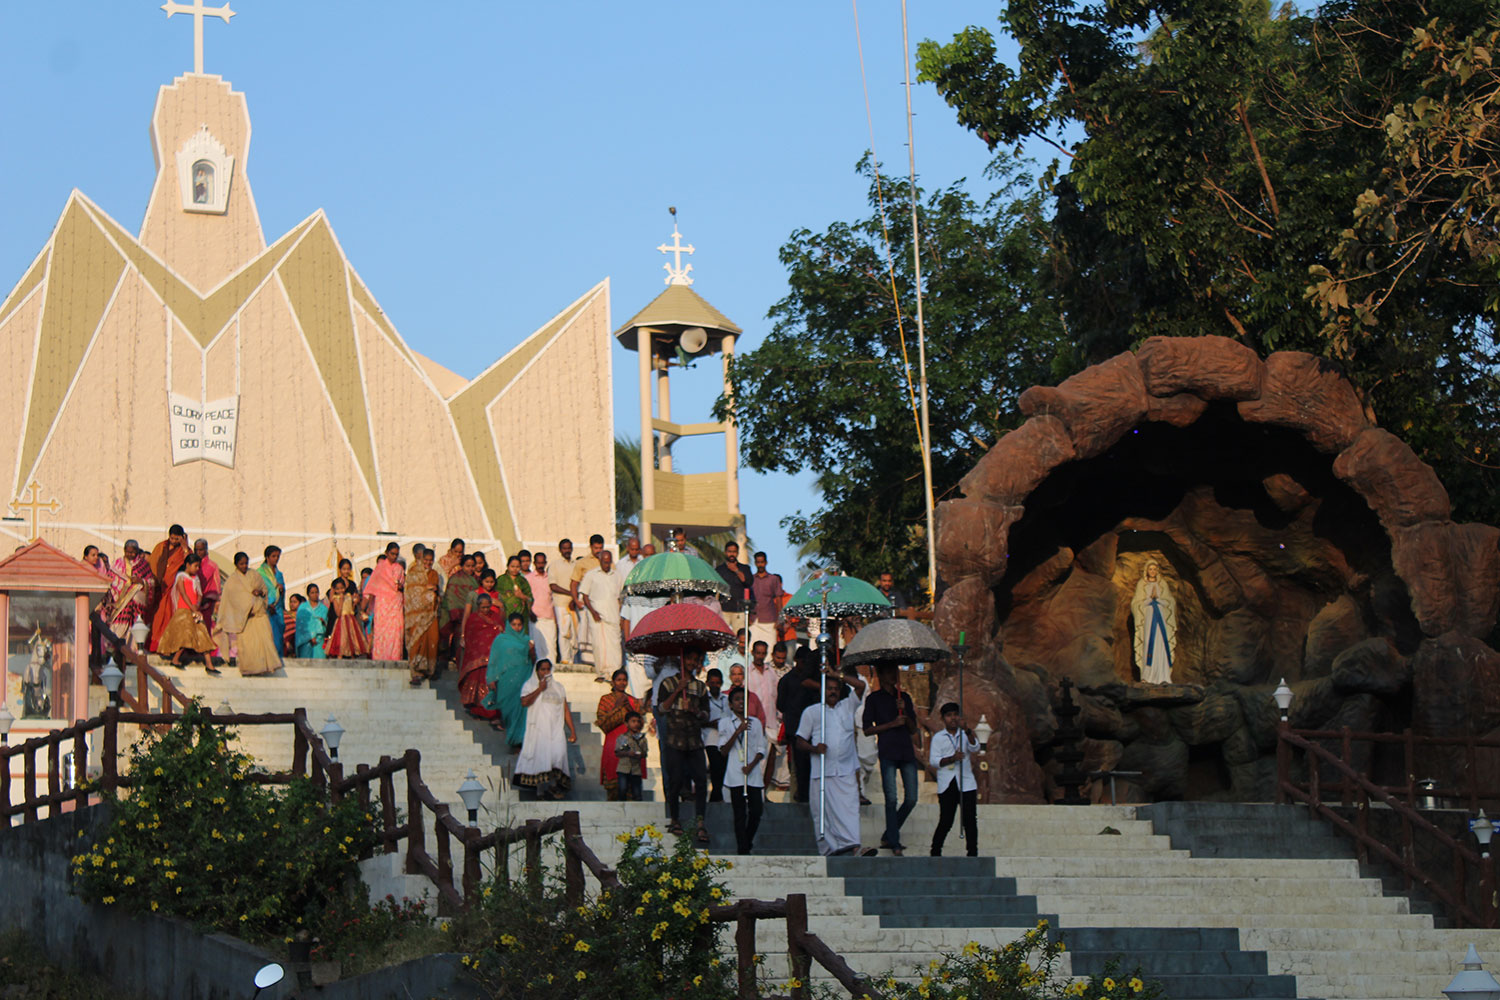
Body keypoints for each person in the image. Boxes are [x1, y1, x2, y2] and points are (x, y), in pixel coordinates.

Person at [796, 667, 873, 857]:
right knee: (822, 814)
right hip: (822, 770)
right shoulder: (812, 712)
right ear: (822, 690)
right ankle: (830, 850)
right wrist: (815, 749)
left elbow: (861, 686)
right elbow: (799, 741)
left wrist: (835, 674)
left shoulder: (848, 706)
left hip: (846, 771)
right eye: (829, 688)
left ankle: (854, 846)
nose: (832, 691)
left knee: (850, 809)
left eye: (835, 689)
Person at [863, 663, 920, 855]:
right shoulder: (873, 699)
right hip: (888, 750)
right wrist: (891, 724)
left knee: (911, 798)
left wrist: (905, 715)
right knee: (891, 798)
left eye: (895, 672)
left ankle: (889, 834)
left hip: (906, 751)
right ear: (881, 674)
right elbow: (867, 729)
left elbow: (913, 728)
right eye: (889, 671)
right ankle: (894, 843)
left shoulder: (904, 697)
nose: (893, 675)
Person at [656, 647, 710, 843]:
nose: (692, 663)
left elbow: (706, 715)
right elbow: (661, 708)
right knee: (675, 781)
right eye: (689, 659)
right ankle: (675, 819)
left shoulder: (701, 687)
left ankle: (701, 822)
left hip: (694, 741)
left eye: (696, 660)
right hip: (674, 740)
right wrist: (678, 691)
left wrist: (695, 710)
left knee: (701, 782)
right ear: (682, 660)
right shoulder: (668, 683)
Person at [514, 659, 577, 799]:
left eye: (548, 669)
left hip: (556, 729)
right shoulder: (529, 685)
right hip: (539, 729)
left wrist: (572, 730)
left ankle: (553, 786)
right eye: (542, 669)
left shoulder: (559, 687)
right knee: (541, 758)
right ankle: (540, 791)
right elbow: (524, 702)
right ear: (537, 671)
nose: (545, 672)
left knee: (558, 756)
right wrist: (539, 689)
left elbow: (565, 709)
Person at [216, 551, 282, 676]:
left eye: (246, 563)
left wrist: (260, 593)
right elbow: (232, 602)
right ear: (236, 564)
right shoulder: (232, 581)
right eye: (241, 564)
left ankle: (265, 668)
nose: (244, 566)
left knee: (265, 642)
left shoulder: (255, 575)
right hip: (244, 620)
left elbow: (264, 591)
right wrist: (247, 606)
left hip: (259, 615)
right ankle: (250, 670)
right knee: (248, 647)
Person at [719, 686, 767, 854]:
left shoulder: (756, 723)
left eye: (743, 700)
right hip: (735, 774)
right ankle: (743, 848)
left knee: (756, 811)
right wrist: (738, 731)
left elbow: (761, 749)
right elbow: (723, 750)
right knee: (739, 813)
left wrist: (752, 765)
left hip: (752, 773)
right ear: (731, 704)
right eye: (737, 700)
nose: (741, 703)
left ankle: (747, 840)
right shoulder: (725, 723)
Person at [930, 702, 980, 857]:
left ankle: (972, 851)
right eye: (949, 715)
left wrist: (967, 730)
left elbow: (975, 747)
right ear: (943, 718)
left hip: (966, 782)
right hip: (947, 783)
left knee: (970, 819)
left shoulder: (965, 734)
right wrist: (952, 758)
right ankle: (935, 850)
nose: (953, 718)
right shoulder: (938, 737)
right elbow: (934, 761)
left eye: (955, 714)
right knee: (946, 820)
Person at [158, 552, 219, 672]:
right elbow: (183, 593)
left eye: (198, 567)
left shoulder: (196, 579)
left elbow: (199, 593)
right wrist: (192, 607)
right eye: (195, 566)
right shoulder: (181, 576)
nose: (197, 569)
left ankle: (209, 664)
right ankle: (175, 658)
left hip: (195, 610)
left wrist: (197, 605)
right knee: (185, 636)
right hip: (184, 610)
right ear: (188, 565)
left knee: (203, 635)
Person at [778, 647, 823, 802]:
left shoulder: (815, 680)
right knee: (799, 768)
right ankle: (801, 796)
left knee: (812, 766)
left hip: (813, 730)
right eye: (804, 662)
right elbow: (781, 705)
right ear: (797, 660)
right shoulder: (787, 680)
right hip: (796, 730)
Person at [485, 612, 534, 747]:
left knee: (521, 711)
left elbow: (533, 661)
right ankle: (512, 738)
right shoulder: (501, 640)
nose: (517, 628)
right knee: (508, 711)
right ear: (508, 625)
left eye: (519, 625)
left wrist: (531, 650)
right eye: (514, 625)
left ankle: (518, 741)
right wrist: (491, 678)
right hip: (505, 681)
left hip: (523, 680)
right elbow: (494, 660)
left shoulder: (526, 640)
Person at [595, 669, 642, 800]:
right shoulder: (605, 700)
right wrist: (617, 707)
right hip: (613, 744)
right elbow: (602, 723)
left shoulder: (633, 701)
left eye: (624, 680)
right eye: (619, 680)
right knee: (614, 786)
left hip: (631, 744)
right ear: (613, 682)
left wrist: (630, 709)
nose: (622, 683)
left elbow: (640, 724)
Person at [579, 549, 624, 682]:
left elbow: (620, 597)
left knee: (615, 646)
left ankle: (615, 673)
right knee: (599, 646)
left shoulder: (617, 575)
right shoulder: (591, 575)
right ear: (600, 561)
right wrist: (593, 612)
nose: (606, 565)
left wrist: (621, 616)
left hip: (613, 617)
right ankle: (603, 673)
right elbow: (585, 595)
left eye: (608, 562)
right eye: (604, 562)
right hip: (597, 617)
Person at [458, 592, 504, 719]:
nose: (486, 610)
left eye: (488, 607)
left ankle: (491, 713)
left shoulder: (496, 617)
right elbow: (471, 637)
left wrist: (498, 629)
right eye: (483, 607)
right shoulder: (473, 619)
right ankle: (476, 710)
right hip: (477, 658)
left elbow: (502, 632)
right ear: (478, 606)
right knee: (477, 683)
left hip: (493, 659)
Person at [1132, 560, 1176, 684]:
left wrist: (1159, 599)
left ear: (1157, 571)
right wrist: (1148, 599)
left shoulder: (1163, 584)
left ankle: (1163, 676)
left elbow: (1171, 602)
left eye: (1154, 569)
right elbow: (1135, 603)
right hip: (1148, 617)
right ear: (1147, 570)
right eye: (1150, 569)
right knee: (1148, 642)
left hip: (1161, 617)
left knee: (1161, 642)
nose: (1152, 571)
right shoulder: (1142, 584)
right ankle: (1147, 676)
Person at [146, 524, 189, 651]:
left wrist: (185, 547)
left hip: (173, 591)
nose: (174, 541)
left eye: (177, 539)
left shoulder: (184, 551)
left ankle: (167, 646)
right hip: (159, 589)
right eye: (172, 538)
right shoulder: (161, 547)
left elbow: (188, 566)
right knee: (157, 619)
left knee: (169, 618)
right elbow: (153, 564)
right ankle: (155, 646)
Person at [403, 546, 441, 684]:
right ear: (421, 559)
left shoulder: (434, 574)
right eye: (426, 560)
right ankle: (416, 672)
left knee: (433, 640)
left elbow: (436, 589)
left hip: (430, 614)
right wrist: (425, 589)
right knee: (417, 641)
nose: (428, 563)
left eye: (430, 561)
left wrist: (432, 591)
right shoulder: (413, 572)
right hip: (416, 616)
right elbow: (411, 592)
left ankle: (429, 670)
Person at [364, 542, 405, 660]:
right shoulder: (380, 568)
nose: (394, 557)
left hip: (395, 604)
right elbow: (372, 587)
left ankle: (394, 657)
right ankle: (379, 657)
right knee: (381, 632)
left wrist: (399, 586)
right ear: (386, 553)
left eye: (396, 555)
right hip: (382, 604)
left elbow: (401, 584)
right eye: (392, 554)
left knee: (395, 633)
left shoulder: (399, 568)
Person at [105, 540, 153, 639]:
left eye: (133, 552)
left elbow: (151, 582)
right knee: (118, 627)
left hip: (136, 601)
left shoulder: (143, 565)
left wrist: (141, 581)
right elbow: (111, 578)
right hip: (120, 600)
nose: (130, 554)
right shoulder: (118, 563)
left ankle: (131, 647)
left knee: (135, 626)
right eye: (127, 552)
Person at [569, 534, 605, 667]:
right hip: (585, 601)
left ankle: (600, 659)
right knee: (585, 632)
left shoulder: (607, 562)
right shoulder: (582, 563)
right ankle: (585, 660)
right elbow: (573, 583)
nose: (598, 551)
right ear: (591, 547)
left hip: (602, 601)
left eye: (600, 548)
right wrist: (576, 601)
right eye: (596, 548)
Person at [440, 554, 477, 664]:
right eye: (467, 566)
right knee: (445, 639)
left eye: (472, 566)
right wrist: (456, 612)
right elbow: (451, 596)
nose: (470, 569)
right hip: (452, 613)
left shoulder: (476, 579)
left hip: (469, 614)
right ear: (462, 566)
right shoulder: (455, 579)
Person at [321, 577, 371, 659]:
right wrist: (340, 600)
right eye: (338, 589)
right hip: (341, 622)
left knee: (352, 640)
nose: (340, 590)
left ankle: (352, 657)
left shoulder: (348, 596)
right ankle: (340, 657)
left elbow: (351, 608)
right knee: (342, 641)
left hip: (351, 621)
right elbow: (338, 613)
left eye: (342, 588)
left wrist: (355, 603)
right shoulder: (335, 599)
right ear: (335, 590)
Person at [702, 667, 729, 802]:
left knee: (722, 768)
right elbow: (699, 720)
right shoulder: (703, 699)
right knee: (715, 766)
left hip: (725, 739)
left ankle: (716, 795)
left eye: (717, 683)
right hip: (710, 738)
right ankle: (716, 794)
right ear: (707, 683)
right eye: (712, 683)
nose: (715, 686)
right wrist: (710, 724)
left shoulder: (727, 699)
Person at [748, 552, 784, 654]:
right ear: (755, 563)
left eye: (762, 562)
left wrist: (780, 619)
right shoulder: (751, 579)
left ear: (766, 562)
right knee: (752, 650)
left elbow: (779, 599)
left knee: (770, 649)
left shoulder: (773, 579)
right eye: (758, 562)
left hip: (769, 620)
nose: (760, 565)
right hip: (754, 620)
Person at [549, 538, 577, 664]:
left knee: (575, 634)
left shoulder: (576, 564)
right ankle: (565, 659)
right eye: (564, 548)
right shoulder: (554, 565)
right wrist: (571, 593)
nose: (567, 551)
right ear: (560, 550)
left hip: (575, 605)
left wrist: (575, 598)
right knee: (564, 632)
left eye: (569, 548)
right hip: (561, 603)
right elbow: (553, 586)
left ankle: (574, 659)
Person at [525, 551, 556, 663]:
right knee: (537, 648)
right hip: (534, 618)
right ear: (534, 563)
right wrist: (529, 612)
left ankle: (551, 673)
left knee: (551, 648)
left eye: (543, 563)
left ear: (545, 563)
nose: (541, 565)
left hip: (549, 617)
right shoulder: (528, 578)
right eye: (538, 563)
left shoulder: (550, 578)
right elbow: (525, 598)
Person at [258, 546, 286, 654]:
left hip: (278, 610)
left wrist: (281, 589)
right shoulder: (260, 573)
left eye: (278, 556)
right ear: (267, 557)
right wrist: (267, 604)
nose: (276, 559)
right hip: (266, 608)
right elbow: (258, 591)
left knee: (278, 638)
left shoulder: (279, 574)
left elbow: (282, 592)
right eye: (273, 556)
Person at [614, 711, 649, 801]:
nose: (636, 724)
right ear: (626, 723)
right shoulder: (622, 737)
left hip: (636, 769)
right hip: (623, 768)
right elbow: (617, 752)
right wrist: (627, 753)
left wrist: (640, 754)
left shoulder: (642, 739)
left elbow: (645, 753)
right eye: (633, 721)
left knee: (637, 792)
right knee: (622, 790)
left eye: (638, 721)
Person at [717, 541, 752, 620]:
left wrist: (736, 570)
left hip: (739, 610)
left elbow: (748, 582)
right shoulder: (719, 569)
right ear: (725, 552)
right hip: (723, 610)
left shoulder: (745, 568)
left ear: (737, 553)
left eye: (734, 552)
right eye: (729, 551)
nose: (732, 554)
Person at [295, 583, 330, 658]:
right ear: (308, 594)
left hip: (319, 641)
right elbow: (300, 624)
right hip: (305, 640)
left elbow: (327, 624)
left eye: (316, 592)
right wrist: (310, 636)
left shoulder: (324, 609)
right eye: (312, 593)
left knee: (320, 665)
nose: (315, 594)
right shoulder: (302, 607)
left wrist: (317, 636)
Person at [727, 662, 765, 727]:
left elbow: (761, 719)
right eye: (734, 674)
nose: (737, 677)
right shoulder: (724, 696)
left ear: (744, 676)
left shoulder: (752, 697)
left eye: (740, 674)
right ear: (730, 677)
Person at [496, 555, 533, 622]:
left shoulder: (523, 581)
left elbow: (530, 599)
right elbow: (495, 595)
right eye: (512, 566)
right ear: (508, 566)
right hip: (505, 615)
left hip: (521, 615)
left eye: (517, 567)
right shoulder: (501, 580)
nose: (515, 569)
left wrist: (522, 596)